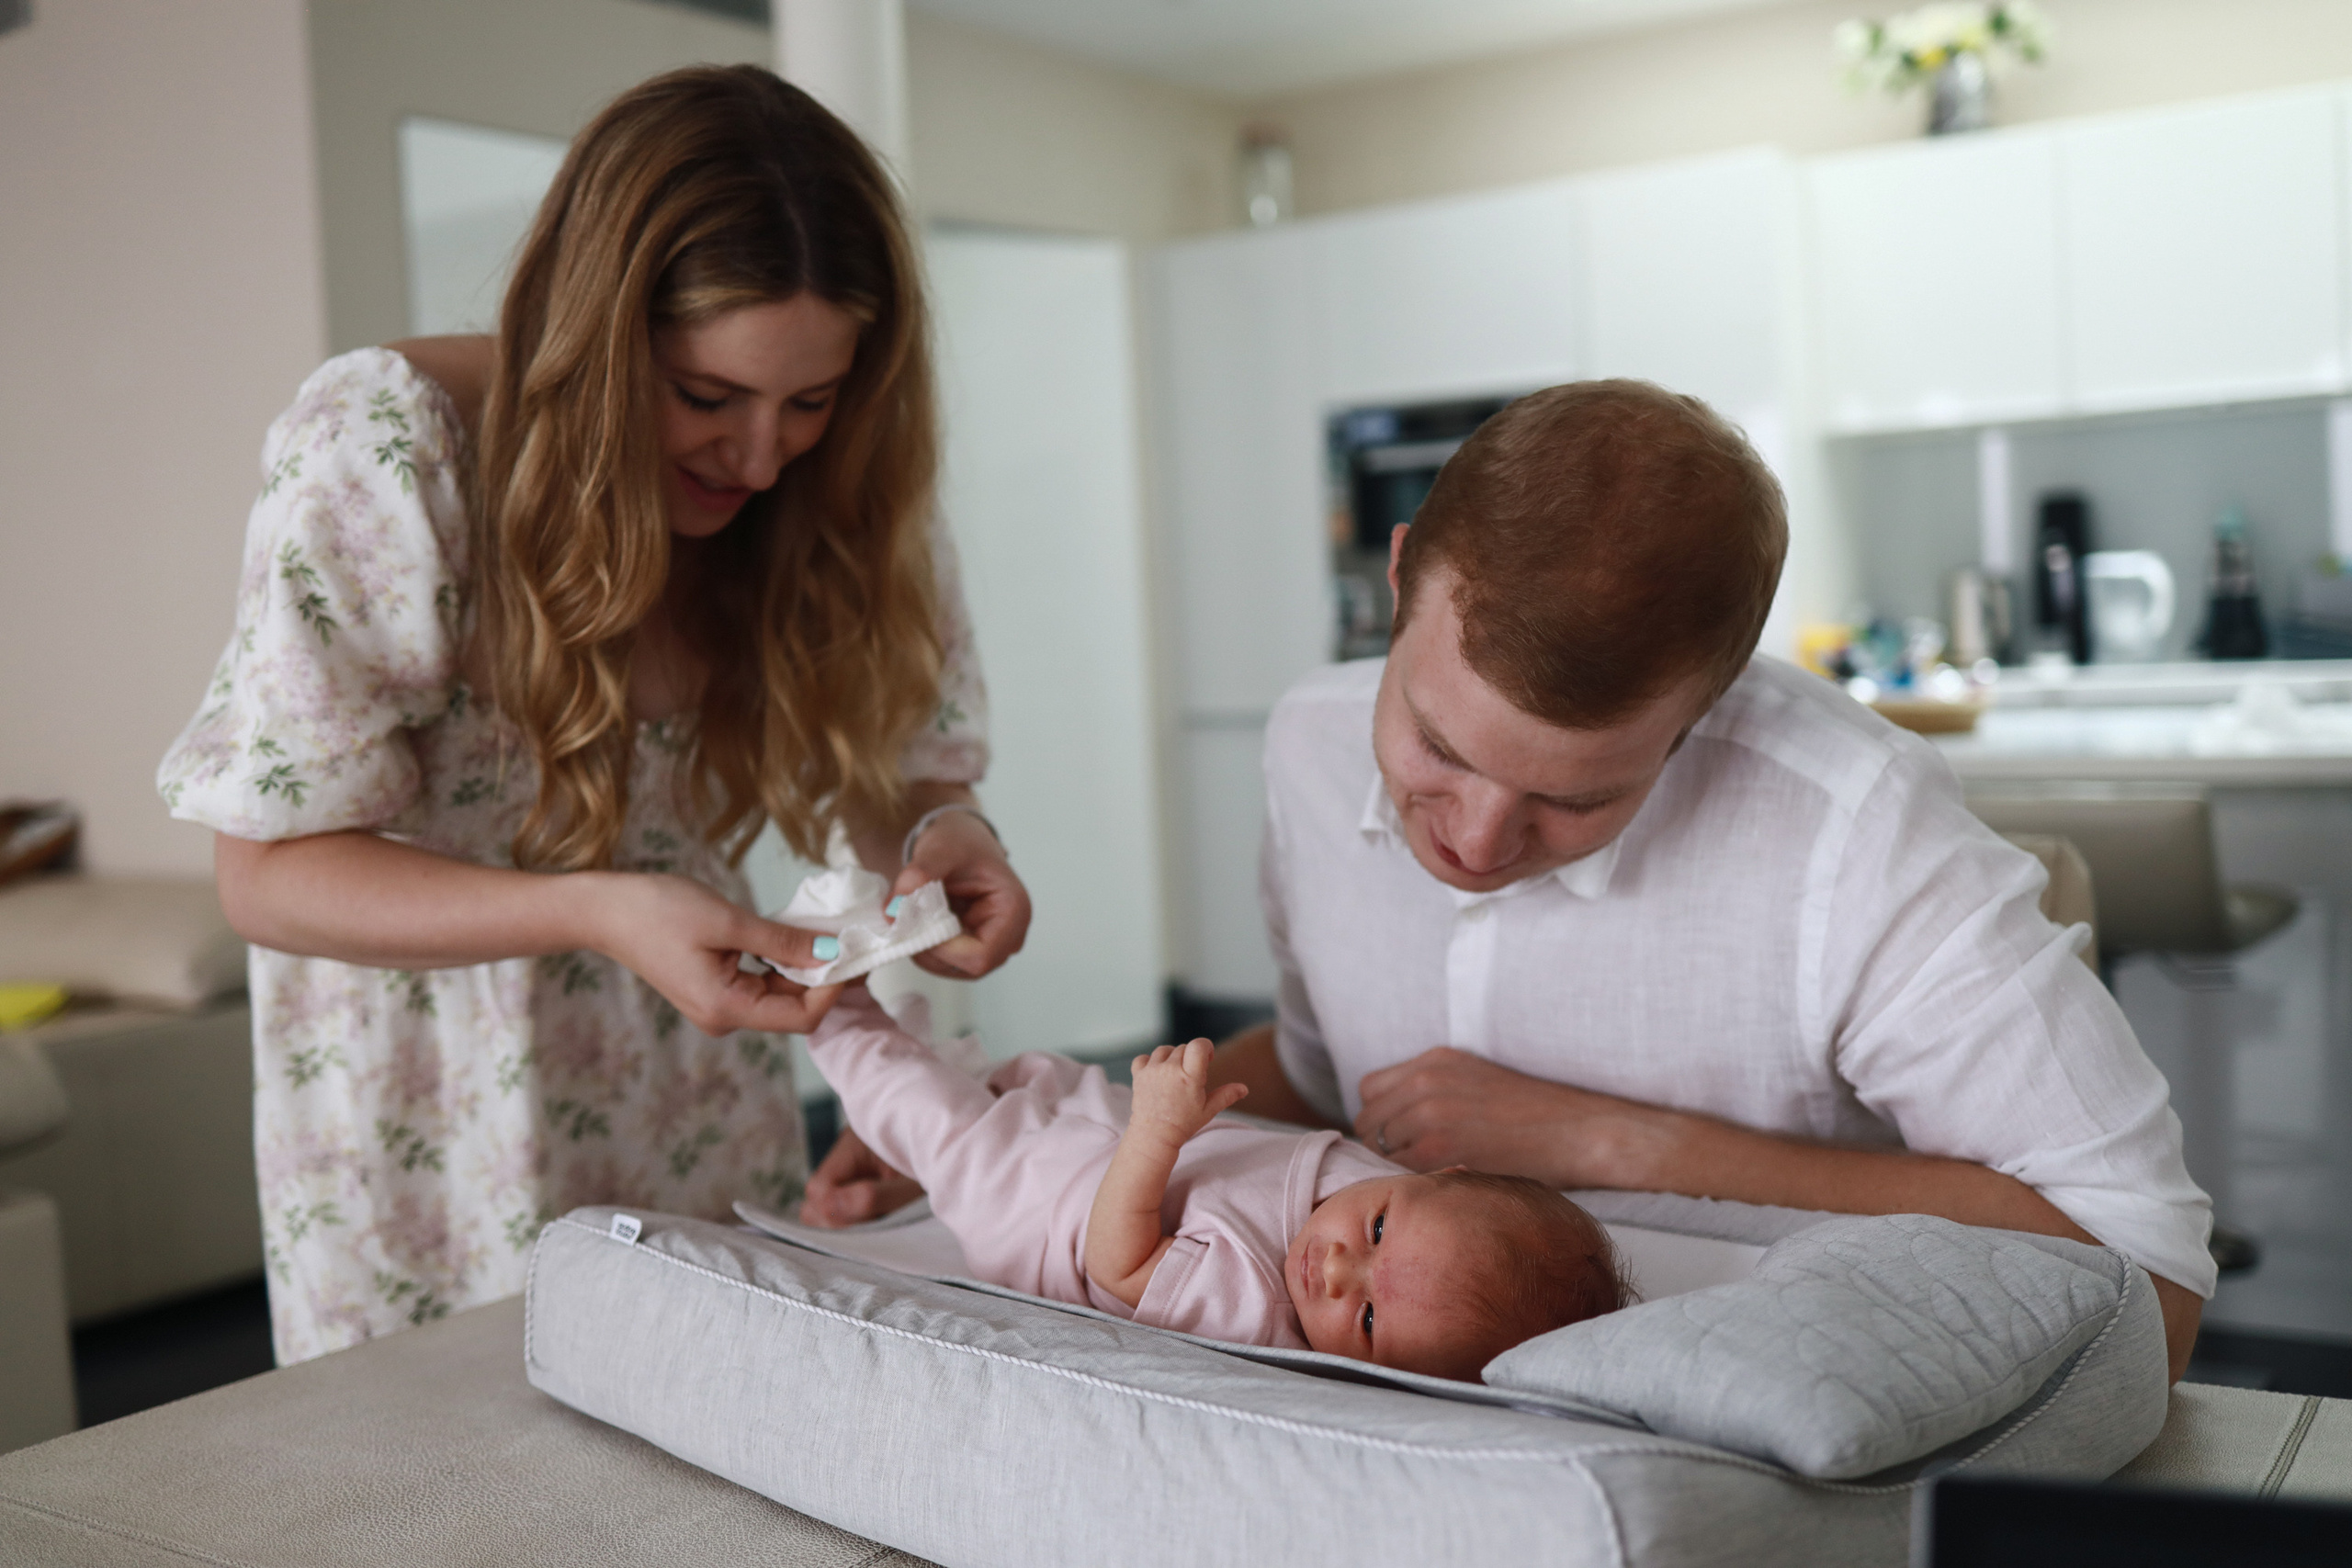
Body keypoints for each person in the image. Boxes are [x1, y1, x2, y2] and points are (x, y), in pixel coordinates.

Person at [155, 66, 1028, 1363]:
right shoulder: (394, 448)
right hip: (428, 1147)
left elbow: (901, 770)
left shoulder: (833, 487)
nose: (758, 458)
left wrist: (946, 832)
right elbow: (268, 873)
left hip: (688, 1095)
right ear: (595, 333)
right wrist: (594, 906)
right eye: (707, 397)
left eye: (810, 398)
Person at [1210, 379, 2214, 1382]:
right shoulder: (1310, 743)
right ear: (1395, 579)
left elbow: (2150, 1288)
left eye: (1576, 799)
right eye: (1436, 744)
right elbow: (1314, 1075)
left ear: (1703, 711)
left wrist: (1619, 1142)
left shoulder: (1855, 835)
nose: (1475, 843)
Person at [808, 987, 1624, 1381]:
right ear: (1438, 1177)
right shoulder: (1405, 1198)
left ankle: (824, 1006)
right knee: (989, 1082)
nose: (1336, 1270)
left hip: (1035, 1206)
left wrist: (1158, 1131)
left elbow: (1115, 1261)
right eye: (1375, 1231)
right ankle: (896, 1116)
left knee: (926, 1112)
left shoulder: (1254, 1303)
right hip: (1097, 1122)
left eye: (1368, 1318)